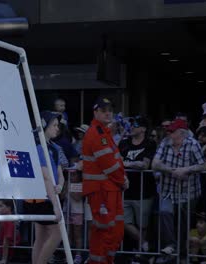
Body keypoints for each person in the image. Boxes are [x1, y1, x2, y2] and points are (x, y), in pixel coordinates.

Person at [81, 97, 128, 264]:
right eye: (103, 110)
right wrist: (122, 180)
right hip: (103, 190)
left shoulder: (103, 132)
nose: (108, 113)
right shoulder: (97, 133)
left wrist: (122, 179)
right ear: (96, 112)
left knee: (113, 231)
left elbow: (114, 161)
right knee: (105, 231)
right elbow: (109, 164)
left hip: (109, 189)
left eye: (110, 110)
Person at [151, 118, 206, 260]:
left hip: (189, 191)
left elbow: (203, 165)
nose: (168, 133)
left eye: (171, 131)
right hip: (167, 190)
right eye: (168, 131)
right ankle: (171, 246)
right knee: (164, 212)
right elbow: (155, 163)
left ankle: (180, 255)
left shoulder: (193, 144)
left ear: (181, 133)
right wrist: (172, 171)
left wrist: (186, 170)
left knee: (183, 223)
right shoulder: (165, 143)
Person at [24, 110, 63, 264]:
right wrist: (55, 204)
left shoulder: (53, 148)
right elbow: (46, 177)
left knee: (40, 237)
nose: (57, 128)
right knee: (57, 234)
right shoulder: (38, 146)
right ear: (44, 126)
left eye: (58, 125)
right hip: (41, 198)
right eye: (54, 125)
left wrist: (60, 185)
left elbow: (60, 174)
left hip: (46, 197)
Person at [118, 116, 156, 255]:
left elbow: (145, 165)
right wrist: (133, 164)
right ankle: (144, 244)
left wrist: (126, 164)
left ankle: (141, 253)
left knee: (143, 225)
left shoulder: (150, 143)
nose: (132, 127)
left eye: (135, 124)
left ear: (143, 129)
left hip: (144, 190)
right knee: (123, 221)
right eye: (131, 124)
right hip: (125, 190)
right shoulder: (124, 143)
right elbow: (118, 161)